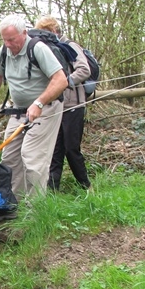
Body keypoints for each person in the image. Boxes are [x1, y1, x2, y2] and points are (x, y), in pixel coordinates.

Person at [0, 14, 68, 197]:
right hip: (19, 111)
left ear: (24, 33)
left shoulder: (38, 49)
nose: (7, 44)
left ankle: (35, 211)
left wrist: (39, 102)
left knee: (32, 157)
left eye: (12, 39)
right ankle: (15, 206)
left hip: (46, 109)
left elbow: (61, 80)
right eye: (4, 39)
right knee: (10, 158)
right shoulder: (4, 50)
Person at [33, 15, 92, 191]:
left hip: (73, 105)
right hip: (55, 106)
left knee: (71, 149)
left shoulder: (70, 47)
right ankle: (52, 191)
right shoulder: (47, 49)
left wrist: (64, 82)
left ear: (53, 31)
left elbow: (84, 70)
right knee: (55, 150)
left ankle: (86, 186)